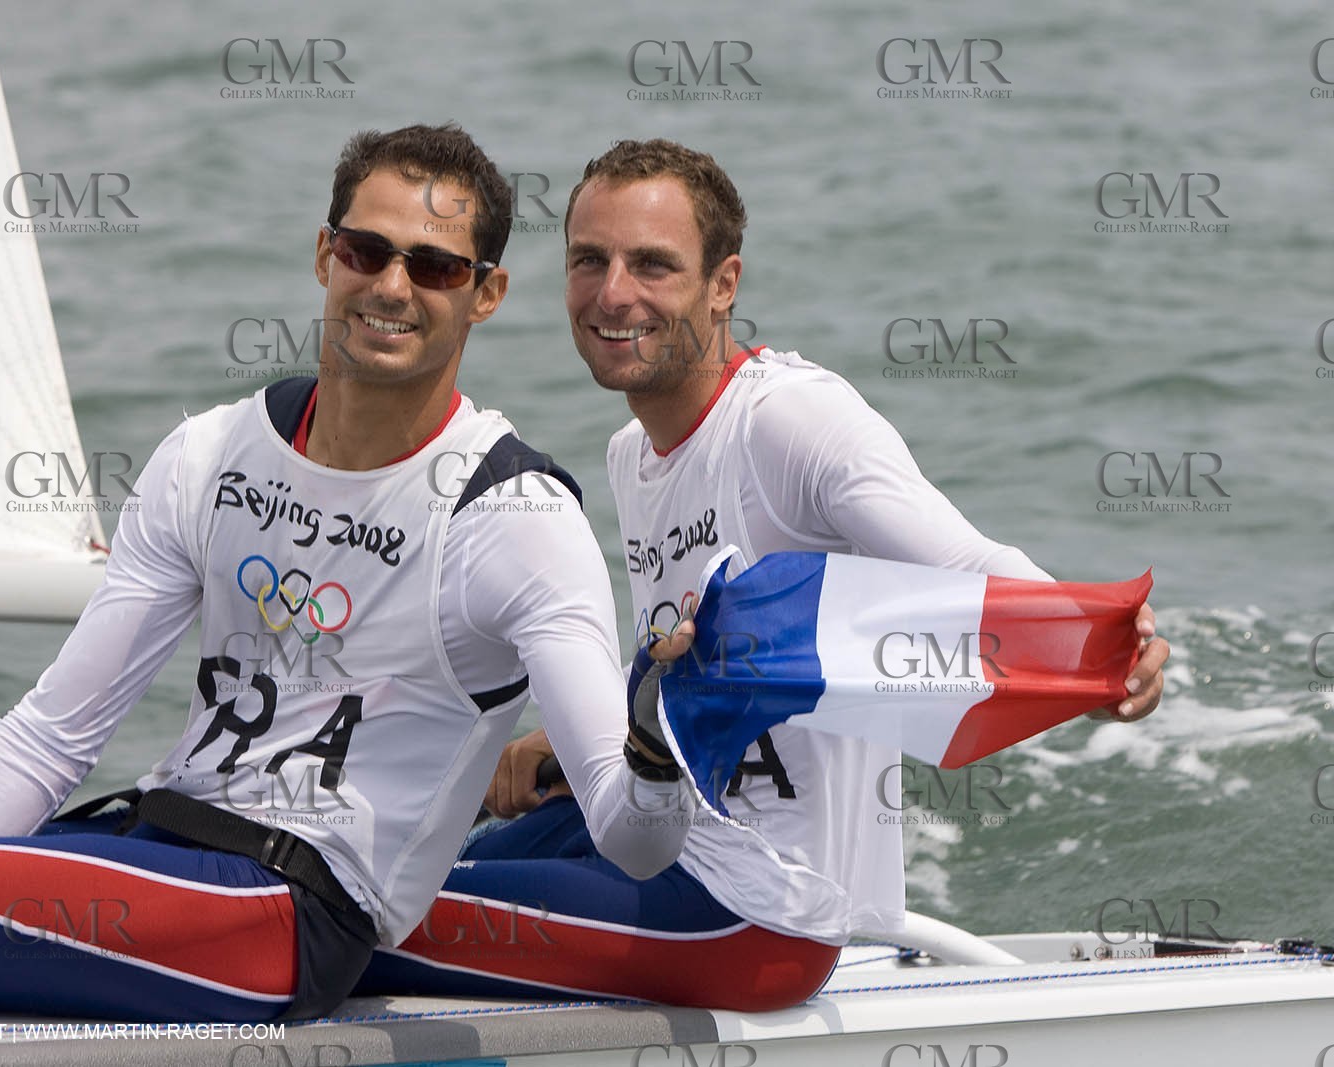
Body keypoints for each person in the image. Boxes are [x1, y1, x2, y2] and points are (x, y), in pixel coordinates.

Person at [0, 124, 690, 1024]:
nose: (393, 286)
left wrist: (654, 745)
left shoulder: (516, 514)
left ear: (484, 294)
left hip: (291, 910)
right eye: (366, 251)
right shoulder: (210, 453)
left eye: (434, 266)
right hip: (158, 844)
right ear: (325, 256)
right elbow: (54, 734)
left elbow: (632, 835)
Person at [358, 139, 1169, 1011]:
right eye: (589, 260)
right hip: (670, 840)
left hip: (751, 916)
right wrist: (557, 742)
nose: (613, 292)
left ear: (724, 284)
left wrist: (1106, 644)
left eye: (654, 265)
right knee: (385, 867)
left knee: (362, 920)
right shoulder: (633, 454)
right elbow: (690, 678)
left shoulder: (790, 422)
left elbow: (967, 563)